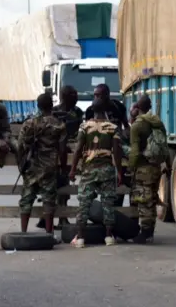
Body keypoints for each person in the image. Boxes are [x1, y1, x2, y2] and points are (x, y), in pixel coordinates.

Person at [70, 98, 123, 248]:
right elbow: (117, 151)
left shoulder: (84, 127)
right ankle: (108, 236)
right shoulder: (112, 127)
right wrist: (119, 171)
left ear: (92, 110)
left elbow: (78, 149)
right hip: (106, 169)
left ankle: (80, 238)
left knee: (84, 203)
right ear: (106, 110)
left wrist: (73, 169)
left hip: (89, 170)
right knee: (108, 203)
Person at [17, 93, 67, 240]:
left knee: (26, 199)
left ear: (38, 106)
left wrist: (21, 164)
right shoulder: (59, 125)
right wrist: (63, 167)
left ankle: (23, 232)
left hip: (31, 166)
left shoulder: (29, 124)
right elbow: (62, 149)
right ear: (51, 105)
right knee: (49, 200)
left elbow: (20, 146)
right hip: (49, 168)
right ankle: (49, 233)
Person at [36, 85, 84, 230]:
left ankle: (61, 218)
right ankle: (47, 218)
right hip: (54, 152)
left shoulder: (77, 112)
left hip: (70, 149)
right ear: (65, 96)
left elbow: (80, 130)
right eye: (73, 94)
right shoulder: (54, 111)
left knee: (64, 184)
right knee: (53, 186)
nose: (76, 97)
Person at [128, 95, 169, 244]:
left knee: (144, 200)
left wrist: (130, 167)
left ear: (137, 108)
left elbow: (135, 151)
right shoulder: (157, 122)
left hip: (143, 168)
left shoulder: (137, 126)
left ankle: (145, 233)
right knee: (151, 198)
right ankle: (150, 232)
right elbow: (165, 144)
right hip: (156, 167)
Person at [84, 83, 130, 208]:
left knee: (121, 178)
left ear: (107, 95)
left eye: (98, 95)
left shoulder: (118, 107)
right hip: (100, 146)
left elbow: (126, 126)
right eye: (94, 95)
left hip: (117, 143)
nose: (96, 98)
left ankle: (118, 209)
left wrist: (127, 138)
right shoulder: (91, 110)